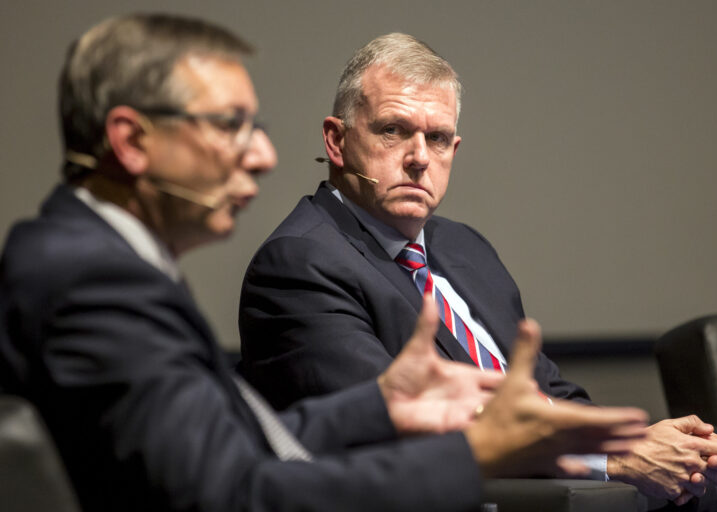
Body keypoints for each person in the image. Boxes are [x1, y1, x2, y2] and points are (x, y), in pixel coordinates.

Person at [0, 14, 652, 512]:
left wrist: (379, 405)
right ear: (132, 141)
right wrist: (473, 455)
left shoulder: (95, 257)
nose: (261, 155)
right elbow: (236, 493)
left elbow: (229, 444)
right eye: (230, 125)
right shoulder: (90, 279)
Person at [238, 33, 717, 509]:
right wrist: (612, 459)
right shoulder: (299, 264)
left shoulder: (463, 247)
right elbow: (396, 432)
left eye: (438, 138)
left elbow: (550, 393)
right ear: (336, 140)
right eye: (394, 131)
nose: (419, 158)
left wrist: (642, 444)